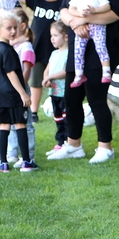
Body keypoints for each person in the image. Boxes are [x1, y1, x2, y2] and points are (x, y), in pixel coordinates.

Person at [49, 0, 119, 164]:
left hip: (99, 52)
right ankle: (74, 145)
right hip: (77, 49)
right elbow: (62, 10)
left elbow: (115, 13)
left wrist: (86, 19)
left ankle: (105, 147)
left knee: (95, 98)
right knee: (72, 99)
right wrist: (74, 23)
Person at [12, 0, 61, 121]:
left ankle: (59, 109)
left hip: (56, 50)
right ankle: (33, 112)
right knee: (36, 82)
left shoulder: (62, 4)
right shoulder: (37, 1)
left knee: (56, 82)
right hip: (38, 49)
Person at [63, 0, 112, 86]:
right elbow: (71, 9)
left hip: (97, 26)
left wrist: (95, 10)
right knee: (78, 50)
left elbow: (107, 7)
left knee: (101, 47)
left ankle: (106, 71)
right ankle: (79, 74)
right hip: (82, 27)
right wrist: (79, 14)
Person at [0, 11, 34, 173]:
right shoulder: (7, 50)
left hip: (1, 96)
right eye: (8, 28)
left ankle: (3, 163)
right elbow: (11, 73)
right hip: (13, 94)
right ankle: (26, 162)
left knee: (4, 126)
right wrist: (23, 93)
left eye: (15, 27)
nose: (13, 31)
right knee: (20, 124)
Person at [41, 21, 69, 155]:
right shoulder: (54, 54)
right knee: (57, 117)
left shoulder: (69, 53)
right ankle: (60, 142)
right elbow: (47, 70)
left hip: (65, 92)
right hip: (54, 92)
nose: (52, 39)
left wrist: (50, 77)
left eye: (55, 35)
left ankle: (68, 141)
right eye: (51, 35)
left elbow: (66, 71)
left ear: (66, 36)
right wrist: (46, 78)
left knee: (66, 117)